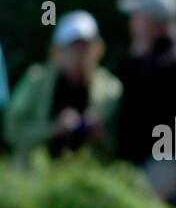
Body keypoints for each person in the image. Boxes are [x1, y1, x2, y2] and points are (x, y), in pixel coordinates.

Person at [115, 0, 176, 200]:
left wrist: (138, 57)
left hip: (165, 162)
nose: (132, 22)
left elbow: (139, 105)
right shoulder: (161, 56)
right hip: (150, 160)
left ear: (153, 24)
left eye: (138, 16)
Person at [3, 10, 122, 164]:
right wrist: (53, 129)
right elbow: (12, 131)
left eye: (85, 48)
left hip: (89, 174)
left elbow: (122, 143)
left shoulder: (111, 89)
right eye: (73, 48)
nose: (79, 55)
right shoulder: (36, 80)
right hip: (37, 174)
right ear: (58, 50)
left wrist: (99, 134)